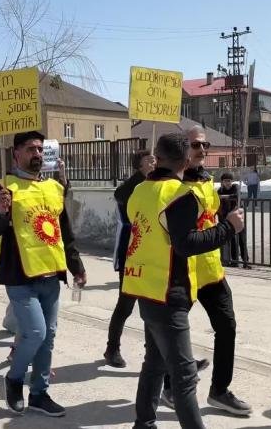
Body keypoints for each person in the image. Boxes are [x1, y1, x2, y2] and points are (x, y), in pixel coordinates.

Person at [123, 133, 243, 429]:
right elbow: (186, 243)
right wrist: (229, 228)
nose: (201, 151)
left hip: (145, 286)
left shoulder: (140, 190)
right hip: (169, 288)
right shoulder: (180, 195)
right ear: (186, 158)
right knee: (184, 375)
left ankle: (144, 423)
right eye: (195, 147)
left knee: (154, 363)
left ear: (158, 157)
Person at [0, 131, 86, 417]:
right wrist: (2, 212)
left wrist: (76, 266)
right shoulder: (3, 187)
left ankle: (39, 394)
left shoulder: (54, 188)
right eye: (31, 149)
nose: (38, 154)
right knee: (35, 333)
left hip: (51, 275)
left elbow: (64, 232)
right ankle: (14, 379)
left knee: (49, 335)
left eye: (41, 149)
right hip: (20, 276)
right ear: (16, 153)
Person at [181, 129, 253, 417]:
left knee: (227, 327)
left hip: (211, 269)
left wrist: (228, 220)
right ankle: (169, 384)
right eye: (195, 144)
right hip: (181, 271)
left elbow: (208, 221)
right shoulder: (169, 183)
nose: (201, 149)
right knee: (169, 334)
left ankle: (219, 390)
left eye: (204, 145)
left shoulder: (207, 181)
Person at [104, 149, 155, 368]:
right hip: (131, 252)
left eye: (155, 158)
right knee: (125, 305)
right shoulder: (130, 187)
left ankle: (153, 355)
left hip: (152, 254)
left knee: (152, 308)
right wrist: (142, 178)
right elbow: (120, 194)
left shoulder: (158, 183)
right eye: (149, 159)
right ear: (139, 165)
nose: (154, 161)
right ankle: (112, 348)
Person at [218, 172, 249, 270]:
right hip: (227, 219)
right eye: (225, 181)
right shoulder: (220, 190)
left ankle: (245, 261)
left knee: (242, 239)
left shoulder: (236, 187)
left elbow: (236, 196)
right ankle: (235, 261)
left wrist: (223, 197)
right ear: (222, 182)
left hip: (238, 217)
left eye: (229, 181)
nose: (228, 183)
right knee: (232, 240)